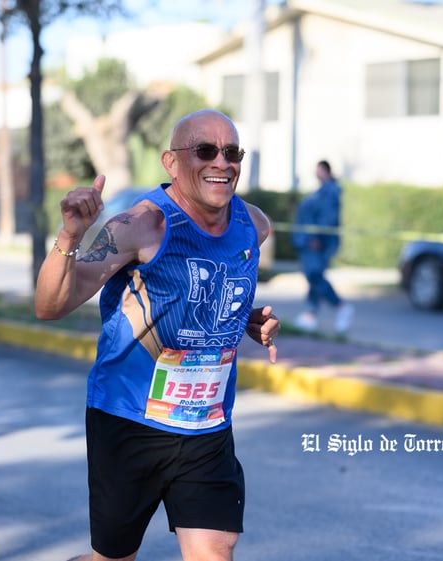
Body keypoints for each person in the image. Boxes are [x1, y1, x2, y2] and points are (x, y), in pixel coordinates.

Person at [35, 109, 280, 561]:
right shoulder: (142, 227)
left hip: (206, 424)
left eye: (232, 152)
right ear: (171, 162)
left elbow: (211, 287)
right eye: (205, 151)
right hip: (129, 420)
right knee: (114, 558)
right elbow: (50, 306)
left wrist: (243, 318)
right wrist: (70, 234)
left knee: (214, 550)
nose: (222, 163)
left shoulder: (253, 225)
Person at [291, 160, 354, 334]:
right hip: (309, 240)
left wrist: (317, 236)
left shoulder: (330, 191)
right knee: (314, 278)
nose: (316, 173)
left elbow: (328, 217)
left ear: (326, 170)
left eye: (319, 170)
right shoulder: (322, 191)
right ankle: (310, 315)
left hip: (316, 242)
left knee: (314, 275)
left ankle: (340, 306)